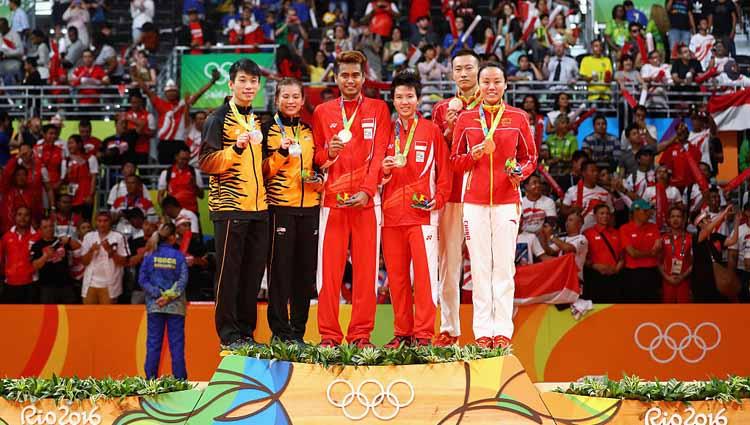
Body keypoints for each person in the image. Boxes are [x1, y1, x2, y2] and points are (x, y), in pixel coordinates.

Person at [450, 61, 537, 348]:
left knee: (503, 268)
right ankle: (482, 332)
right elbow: (455, 162)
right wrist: (474, 154)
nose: (491, 87)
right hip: (474, 202)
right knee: (479, 266)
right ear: (479, 84)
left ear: (505, 85)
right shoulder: (466, 119)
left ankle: (502, 332)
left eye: (496, 82)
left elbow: (530, 158)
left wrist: (519, 173)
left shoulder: (518, 117)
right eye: (485, 81)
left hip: (506, 201)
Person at [312, 51, 390, 348]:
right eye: (344, 75)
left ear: (363, 77)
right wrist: (329, 153)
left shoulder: (378, 109)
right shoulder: (322, 112)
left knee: (366, 274)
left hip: (367, 204)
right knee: (328, 275)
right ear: (336, 78)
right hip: (333, 202)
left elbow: (380, 154)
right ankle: (329, 336)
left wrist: (367, 191)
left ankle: (361, 336)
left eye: (355, 75)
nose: (350, 80)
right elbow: (317, 157)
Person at [199, 59, 269, 348]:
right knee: (229, 274)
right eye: (243, 80)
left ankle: (246, 334)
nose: (249, 86)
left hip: (258, 209)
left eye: (253, 81)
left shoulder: (255, 120)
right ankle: (228, 335)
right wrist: (235, 147)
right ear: (231, 84)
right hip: (229, 208)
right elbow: (206, 162)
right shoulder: (217, 118)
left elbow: (258, 168)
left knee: (251, 275)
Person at [379, 71, 451, 348]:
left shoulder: (431, 131)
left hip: (422, 216)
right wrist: (382, 171)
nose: (405, 101)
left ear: (418, 99)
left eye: (409, 96)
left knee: (423, 279)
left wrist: (440, 198)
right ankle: (402, 333)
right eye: (399, 97)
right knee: (396, 280)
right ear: (393, 100)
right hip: (391, 217)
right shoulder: (387, 131)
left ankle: (423, 335)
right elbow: (376, 174)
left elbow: (444, 173)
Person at [261, 78, 321, 343]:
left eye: (296, 96)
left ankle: (298, 333)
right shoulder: (266, 130)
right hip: (279, 208)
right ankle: (280, 333)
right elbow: (261, 172)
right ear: (277, 99)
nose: (291, 101)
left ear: (302, 99)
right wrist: (281, 154)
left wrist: (319, 181)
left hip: (310, 208)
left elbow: (318, 166)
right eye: (286, 96)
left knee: (305, 274)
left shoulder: (309, 131)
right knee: (280, 272)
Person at [431, 49, 482, 346]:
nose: (463, 74)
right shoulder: (440, 109)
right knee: (449, 264)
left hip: (481, 194)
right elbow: (437, 151)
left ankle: (485, 332)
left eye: (468, 68)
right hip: (451, 192)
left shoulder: (491, 106)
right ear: (451, 74)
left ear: (478, 71)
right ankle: (449, 330)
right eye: (458, 69)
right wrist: (449, 128)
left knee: (482, 265)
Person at [139, 222, 188, 380]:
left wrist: (157, 294)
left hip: (155, 305)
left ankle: (150, 381)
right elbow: (182, 280)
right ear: (173, 238)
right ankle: (180, 380)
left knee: (153, 344)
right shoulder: (179, 256)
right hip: (175, 307)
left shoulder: (149, 255)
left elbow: (142, 279)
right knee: (177, 346)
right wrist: (168, 296)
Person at [139, 71, 219, 165]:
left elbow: (199, 93)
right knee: (164, 169)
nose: (172, 93)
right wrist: (137, 78)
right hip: (165, 143)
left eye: (174, 91)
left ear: (177, 93)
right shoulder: (160, 104)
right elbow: (147, 91)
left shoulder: (183, 103)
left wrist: (212, 81)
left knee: (182, 167)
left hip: (179, 143)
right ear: (165, 93)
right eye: (169, 91)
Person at [80, 211, 129, 304]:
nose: (102, 224)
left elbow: (124, 262)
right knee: (88, 316)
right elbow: (84, 262)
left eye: (105, 221)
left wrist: (110, 251)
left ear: (110, 222)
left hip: (110, 285)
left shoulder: (118, 237)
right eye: (99, 221)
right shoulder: (88, 237)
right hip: (90, 284)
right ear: (95, 222)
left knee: (108, 317)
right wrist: (91, 251)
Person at [619, 199, 661, 303]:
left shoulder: (654, 227)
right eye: (645, 211)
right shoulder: (625, 229)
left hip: (652, 272)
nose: (649, 213)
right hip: (633, 275)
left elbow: (657, 250)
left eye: (649, 211)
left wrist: (643, 253)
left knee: (653, 306)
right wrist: (649, 253)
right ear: (636, 212)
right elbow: (632, 253)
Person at [31, 217, 81, 304]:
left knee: (71, 312)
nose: (49, 229)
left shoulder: (60, 241)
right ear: (40, 230)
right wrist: (45, 256)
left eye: (51, 226)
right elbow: (35, 266)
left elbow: (78, 247)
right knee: (49, 314)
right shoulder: (37, 245)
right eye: (45, 227)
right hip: (47, 287)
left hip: (66, 284)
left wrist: (69, 240)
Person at [692, 206, 736, 302]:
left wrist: (737, 223)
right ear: (699, 224)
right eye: (706, 219)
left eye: (709, 217)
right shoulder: (697, 237)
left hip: (717, 278)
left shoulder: (715, 236)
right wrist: (724, 213)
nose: (710, 220)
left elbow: (732, 241)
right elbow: (708, 230)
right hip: (702, 281)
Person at [583, 204, 624, 302]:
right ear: (595, 216)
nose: (605, 216)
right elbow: (582, 257)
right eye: (601, 213)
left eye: (607, 214)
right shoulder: (587, 233)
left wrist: (617, 269)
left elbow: (622, 255)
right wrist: (595, 266)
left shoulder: (616, 233)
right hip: (595, 277)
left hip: (615, 277)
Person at [0, 207, 39, 303]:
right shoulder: (6, 237)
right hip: (10, 284)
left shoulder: (37, 236)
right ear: (15, 217)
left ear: (30, 218)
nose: (23, 218)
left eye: (26, 215)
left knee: (31, 316)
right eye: (19, 214)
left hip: (31, 284)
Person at [562, 160, 614, 231]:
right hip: (578, 234)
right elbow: (563, 212)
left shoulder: (604, 193)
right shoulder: (572, 190)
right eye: (592, 171)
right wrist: (573, 210)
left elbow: (611, 215)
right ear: (583, 173)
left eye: (596, 171)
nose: (595, 174)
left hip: (599, 234)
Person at [540, 213, 588, 282]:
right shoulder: (562, 239)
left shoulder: (582, 239)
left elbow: (567, 248)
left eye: (570, 220)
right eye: (567, 220)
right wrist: (543, 236)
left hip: (574, 279)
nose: (567, 222)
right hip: (561, 277)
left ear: (579, 224)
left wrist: (551, 236)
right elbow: (549, 251)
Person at [659, 206, 693, 303]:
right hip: (668, 282)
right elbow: (658, 262)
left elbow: (694, 263)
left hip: (684, 282)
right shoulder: (662, 238)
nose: (675, 219)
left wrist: (682, 276)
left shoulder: (690, 239)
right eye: (673, 216)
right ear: (668, 219)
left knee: (684, 314)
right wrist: (667, 277)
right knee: (668, 314)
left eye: (678, 216)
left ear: (683, 219)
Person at [157, 147, 204, 215]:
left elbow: (201, 195)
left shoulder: (195, 172)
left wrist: (194, 185)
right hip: (174, 214)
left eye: (187, 159)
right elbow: (160, 196)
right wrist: (166, 210)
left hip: (192, 212)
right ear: (176, 157)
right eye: (182, 159)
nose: (184, 162)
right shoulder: (166, 173)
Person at [64, 135, 98, 220]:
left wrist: (90, 195)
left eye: (71, 143)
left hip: (85, 196)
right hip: (71, 196)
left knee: (85, 220)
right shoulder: (67, 160)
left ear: (79, 144)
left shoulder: (90, 158)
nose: (69, 146)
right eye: (68, 143)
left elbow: (94, 178)